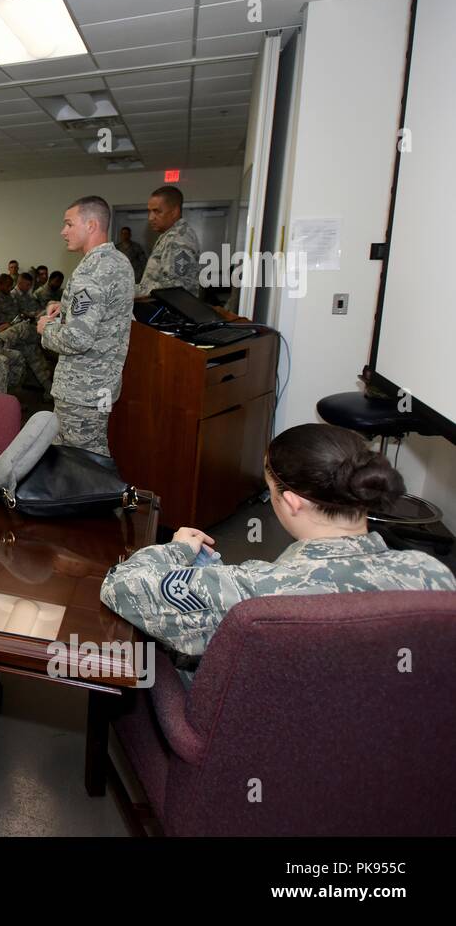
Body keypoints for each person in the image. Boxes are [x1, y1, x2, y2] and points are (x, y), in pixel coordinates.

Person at [101, 424, 456, 684]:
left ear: (290, 502)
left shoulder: (251, 593)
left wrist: (178, 549)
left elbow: (119, 587)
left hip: (257, 747)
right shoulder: (432, 576)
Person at [36, 196, 134, 457]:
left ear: (91, 225)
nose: (63, 231)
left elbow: (77, 338)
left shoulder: (90, 271)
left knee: (79, 465)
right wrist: (65, 306)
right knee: (95, 453)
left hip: (80, 392)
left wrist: (46, 328)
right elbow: (107, 314)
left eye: (68, 224)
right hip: (103, 386)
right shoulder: (119, 262)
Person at [138, 185, 201, 297]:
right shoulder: (170, 235)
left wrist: (133, 290)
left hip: (171, 313)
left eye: (157, 211)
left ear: (174, 212)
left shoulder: (178, 238)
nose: (151, 217)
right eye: (150, 211)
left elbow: (174, 288)